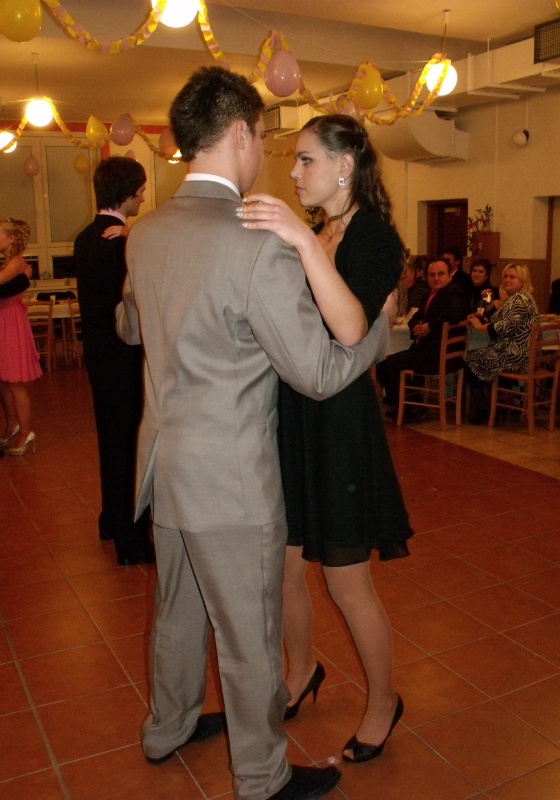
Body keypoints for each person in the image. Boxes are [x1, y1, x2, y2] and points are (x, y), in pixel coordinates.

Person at [115, 67, 392, 800]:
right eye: (265, 139)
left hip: (165, 464)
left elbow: (130, 326)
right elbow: (319, 374)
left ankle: (167, 727)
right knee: (247, 635)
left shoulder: (146, 233)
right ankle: (263, 777)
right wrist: (378, 333)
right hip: (231, 480)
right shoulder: (255, 243)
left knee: (175, 614)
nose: (268, 155)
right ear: (240, 133)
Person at [239, 113, 413, 764]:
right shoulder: (319, 232)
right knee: (284, 567)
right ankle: (303, 669)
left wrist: (301, 242)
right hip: (292, 415)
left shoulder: (373, 238)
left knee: (345, 581)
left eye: (305, 159)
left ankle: (383, 700)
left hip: (339, 423)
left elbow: (349, 330)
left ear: (345, 165)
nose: (292, 172)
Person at [73, 156, 153, 567]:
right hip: (123, 355)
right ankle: (130, 538)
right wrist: (135, 238)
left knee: (110, 437)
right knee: (128, 444)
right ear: (125, 194)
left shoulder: (85, 237)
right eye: (139, 191)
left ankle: (110, 519)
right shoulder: (121, 242)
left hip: (99, 354)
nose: (142, 198)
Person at [376, 258, 469, 417]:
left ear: (449, 276)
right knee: (388, 363)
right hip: (427, 351)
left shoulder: (454, 293)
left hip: (437, 355)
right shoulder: (429, 295)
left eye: (440, 274)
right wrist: (415, 327)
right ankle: (410, 402)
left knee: (386, 365)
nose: (436, 278)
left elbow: (455, 313)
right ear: (427, 277)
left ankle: (407, 405)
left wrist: (430, 326)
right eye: (432, 274)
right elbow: (415, 317)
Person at [465, 262, 540, 423]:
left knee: (470, 360)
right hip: (517, 352)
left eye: (512, 277)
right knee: (478, 358)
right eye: (505, 276)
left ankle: (487, 410)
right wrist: (484, 316)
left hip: (517, 356)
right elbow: (497, 317)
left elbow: (502, 327)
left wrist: (479, 326)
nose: (507, 280)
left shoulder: (519, 300)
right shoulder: (515, 297)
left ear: (523, 281)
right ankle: (498, 406)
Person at [0, 218, 41, 456]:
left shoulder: (16, 261)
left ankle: (26, 432)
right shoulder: (7, 262)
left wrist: (24, 277)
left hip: (11, 321)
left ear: (11, 238)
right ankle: (12, 426)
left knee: (14, 381)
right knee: (4, 380)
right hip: (3, 319)